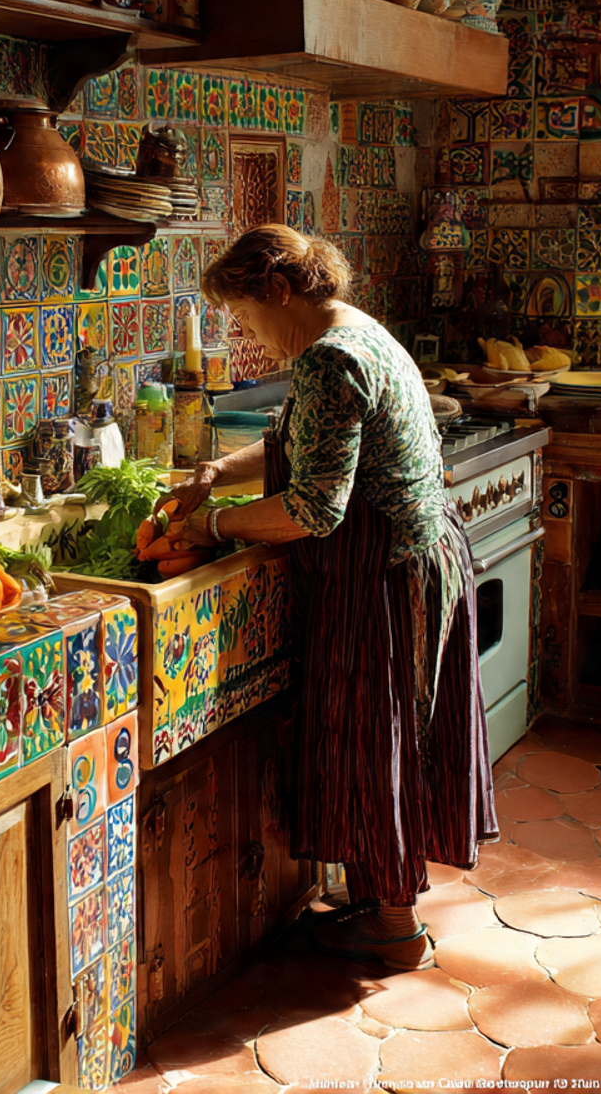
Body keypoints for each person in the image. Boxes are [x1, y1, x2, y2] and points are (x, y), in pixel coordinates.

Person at [168, 224, 497, 969]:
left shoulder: (329, 359)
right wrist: (216, 473)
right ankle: (384, 899)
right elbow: (301, 439)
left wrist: (213, 525)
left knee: (372, 735)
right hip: (412, 554)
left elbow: (312, 507)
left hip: (381, 572)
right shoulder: (358, 332)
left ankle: (391, 927)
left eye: (246, 317)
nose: (248, 336)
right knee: (388, 735)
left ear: (278, 290)